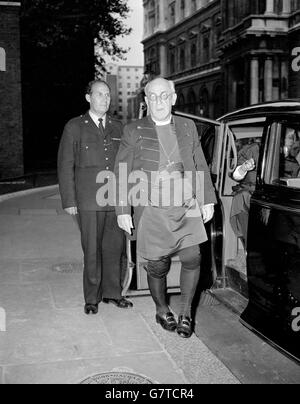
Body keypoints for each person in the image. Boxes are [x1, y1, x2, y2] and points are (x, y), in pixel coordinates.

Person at [114, 77, 217, 338]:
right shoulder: (133, 129)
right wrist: (123, 210)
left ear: (173, 98)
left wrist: (206, 198)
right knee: (157, 265)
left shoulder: (187, 126)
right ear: (146, 101)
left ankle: (186, 313)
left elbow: (200, 163)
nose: (159, 101)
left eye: (164, 96)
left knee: (193, 258)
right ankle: (162, 310)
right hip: (152, 208)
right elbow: (122, 171)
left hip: (186, 204)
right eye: (153, 97)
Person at [57, 79, 133, 315]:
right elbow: (65, 164)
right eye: (99, 94)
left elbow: (126, 164)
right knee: (91, 249)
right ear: (88, 98)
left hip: (115, 200)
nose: (105, 98)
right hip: (88, 200)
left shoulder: (119, 127)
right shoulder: (74, 126)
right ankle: (92, 298)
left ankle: (113, 293)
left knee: (115, 248)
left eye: (108, 95)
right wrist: (69, 201)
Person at [230, 139, 260, 247]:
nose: (293, 141)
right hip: (248, 195)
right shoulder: (252, 150)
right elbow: (236, 174)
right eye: (290, 138)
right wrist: (244, 168)